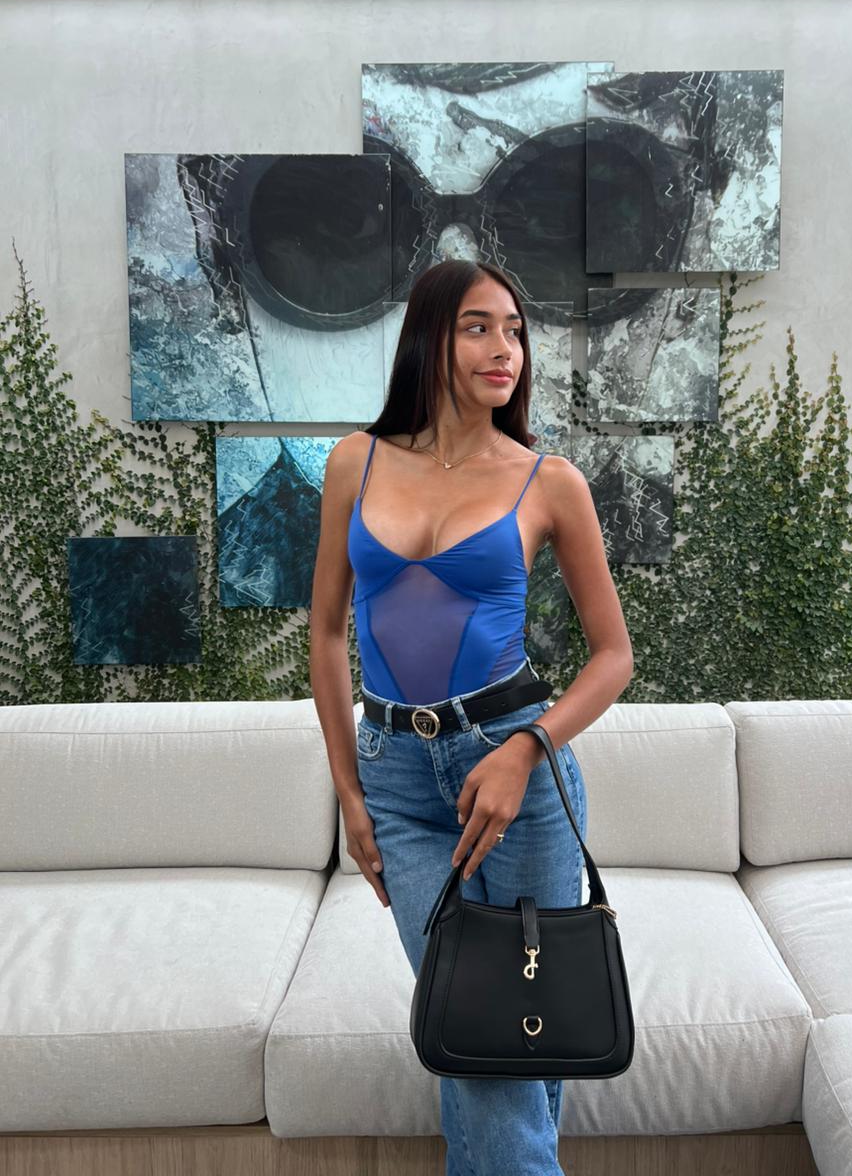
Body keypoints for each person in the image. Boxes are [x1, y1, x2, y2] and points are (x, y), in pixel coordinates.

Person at [309, 258, 634, 1175]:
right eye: (479, 327)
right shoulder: (355, 462)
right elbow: (326, 632)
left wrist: (527, 750)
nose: (506, 350)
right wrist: (350, 791)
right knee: (477, 1025)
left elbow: (614, 656)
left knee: (507, 1035)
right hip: (400, 787)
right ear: (430, 337)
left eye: (516, 331)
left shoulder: (549, 481)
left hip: (517, 773)